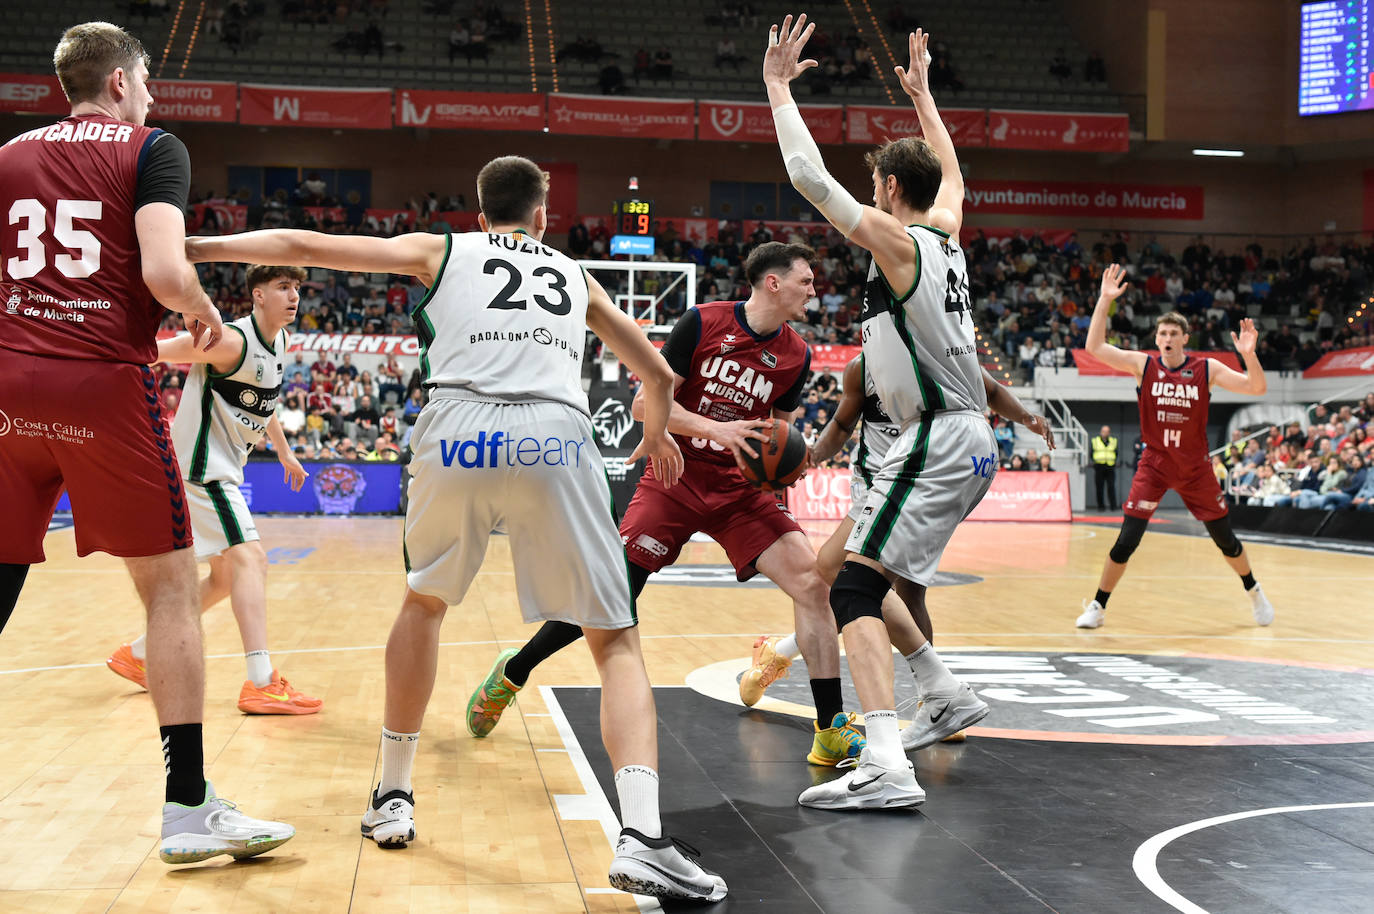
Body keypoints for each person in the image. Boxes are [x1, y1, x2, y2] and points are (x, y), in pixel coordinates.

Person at [185, 155, 726, 902]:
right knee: (614, 638)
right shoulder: (574, 275)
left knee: (425, 603)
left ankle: (395, 798)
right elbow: (659, 376)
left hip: (458, 427)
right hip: (556, 435)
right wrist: (658, 430)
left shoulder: (442, 250)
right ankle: (642, 838)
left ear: (480, 215)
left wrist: (194, 248)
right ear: (542, 217)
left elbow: (301, 246)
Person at [0, 21, 292, 862]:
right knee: (170, 588)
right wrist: (200, 308)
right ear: (123, 82)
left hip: (10, 386)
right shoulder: (151, 148)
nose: (154, 98)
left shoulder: (12, 150)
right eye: (150, 83)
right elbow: (165, 275)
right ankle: (188, 805)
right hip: (97, 384)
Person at [468, 242, 864, 769]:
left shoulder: (797, 355)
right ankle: (513, 672)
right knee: (611, 596)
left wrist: (787, 463)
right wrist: (713, 429)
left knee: (813, 584)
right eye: (805, 281)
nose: (814, 290)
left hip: (738, 492)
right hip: (673, 476)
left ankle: (829, 728)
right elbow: (642, 404)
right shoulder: (702, 323)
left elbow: (779, 431)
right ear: (772, 282)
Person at [765, 20, 997, 810]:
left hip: (933, 436)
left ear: (892, 193)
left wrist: (776, 86)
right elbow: (953, 173)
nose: (870, 198)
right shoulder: (949, 231)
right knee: (868, 575)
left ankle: (886, 764)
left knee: (852, 592)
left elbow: (805, 174)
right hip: (958, 439)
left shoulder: (899, 244)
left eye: (876, 188)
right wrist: (926, 98)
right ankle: (946, 691)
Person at [743, 356, 1056, 752]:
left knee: (901, 591)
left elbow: (990, 390)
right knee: (843, 573)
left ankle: (930, 700)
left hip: (926, 473)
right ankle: (936, 699)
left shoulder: (939, 353)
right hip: (877, 481)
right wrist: (815, 456)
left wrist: (1026, 417)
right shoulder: (863, 367)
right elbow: (841, 424)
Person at [105, 265, 322, 714]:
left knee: (225, 577)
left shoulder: (277, 342)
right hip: (202, 469)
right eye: (283, 287)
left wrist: (284, 452)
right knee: (250, 559)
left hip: (216, 469)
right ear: (257, 295)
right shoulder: (230, 341)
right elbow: (157, 352)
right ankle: (261, 682)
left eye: (297, 287)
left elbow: (264, 400)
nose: (294, 295)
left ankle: (139, 654)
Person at [1074, 265, 1274, 630]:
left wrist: (1249, 354)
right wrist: (1104, 300)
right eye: (1162, 332)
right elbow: (1095, 347)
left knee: (1225, 540)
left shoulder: (1206, 369)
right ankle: (1099, 607)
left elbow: (1256, 388)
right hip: (1154, 463)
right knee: (1126, 540)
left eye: (1173, 332)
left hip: (1196, 468)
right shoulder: (1143, 365)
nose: (1166, 337)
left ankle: (1254, 591)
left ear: (1184, 338)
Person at [1091, 424, 1119, 511]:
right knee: (1099, 487)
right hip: (1099, 466)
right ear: (1100, 432)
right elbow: (1091, 453)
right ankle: (1101, 506)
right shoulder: (1095, 441)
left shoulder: (1113, 441)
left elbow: (1116, 453)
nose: (1105, 433)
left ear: (1109, 433)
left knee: (1111, 487)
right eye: (1103, 431)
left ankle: (1113, 507)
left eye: (1107, 431)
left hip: (1110, 466)